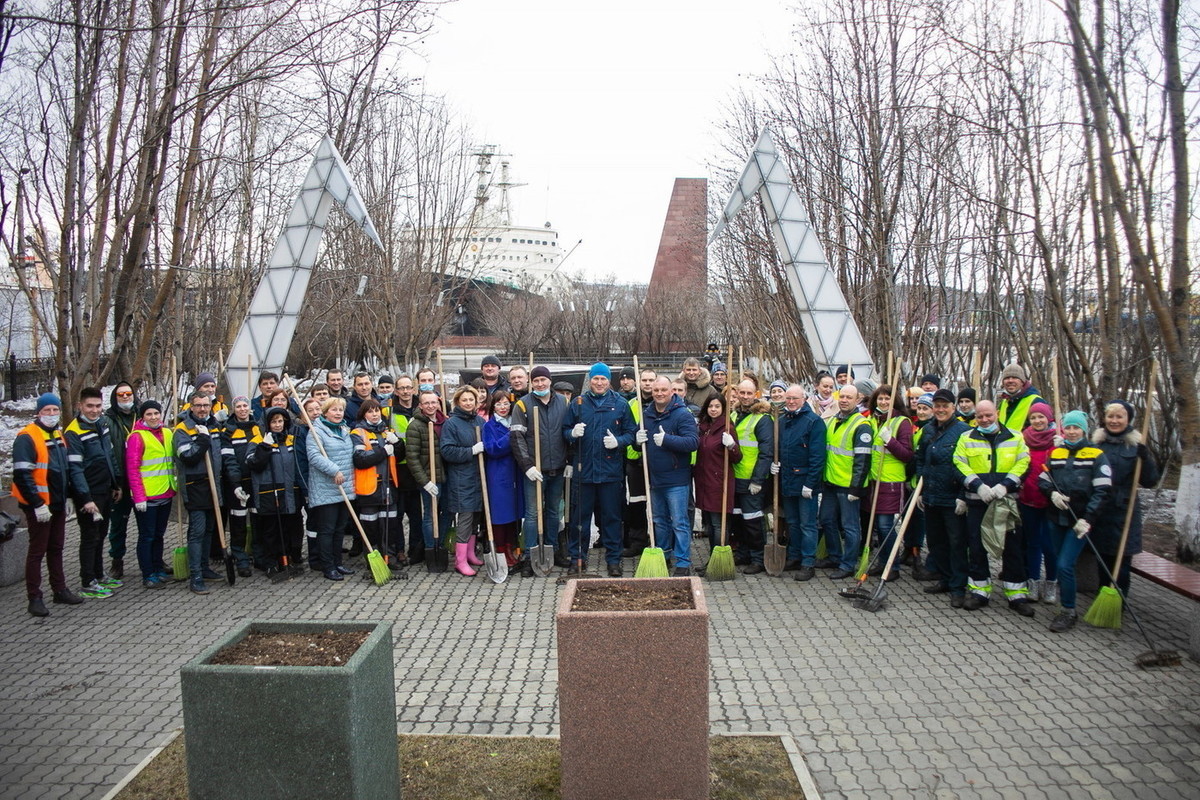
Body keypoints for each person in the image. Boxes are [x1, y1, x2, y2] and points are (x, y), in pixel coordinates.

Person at [952, 399, 1033, 615]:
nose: (985, 419)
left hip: (1006, 501)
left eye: (988, 415)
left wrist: (1006, 486)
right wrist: (977, 486)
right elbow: (959, 464)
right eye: (980, 416)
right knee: (977, 547)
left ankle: (1016, 594)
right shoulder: (966, 438)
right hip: (977, 502)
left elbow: (1024, 462)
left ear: (996, 413)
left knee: (1012, 546)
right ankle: (980, 591)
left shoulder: (1015, 437)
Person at [1038, 410, 1113, 632]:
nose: (1071, 432)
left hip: (1080, 521)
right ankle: (1065, 603)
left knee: (1065, 565)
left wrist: (1088, 519)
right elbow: (1044, 480)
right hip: (1056, 517)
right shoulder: (1056, 453)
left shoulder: (1096, 455)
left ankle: (1068, 610)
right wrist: (1052, 494)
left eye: (1076, 427)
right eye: (1068, 427)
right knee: (1060, 563)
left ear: (1084, 429)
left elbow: (1103, 490)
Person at [563, 363, 637, 577]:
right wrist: (572, 434)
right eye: (595, 379)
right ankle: (578, 558)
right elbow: (565, 430)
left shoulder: (620, 404)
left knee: (612, 518)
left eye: (603, 379)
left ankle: (613, 560)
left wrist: (619, 441)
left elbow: (631, 433)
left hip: (610, 472)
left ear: (608, 381)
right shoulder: (578, 403)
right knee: (579, 519)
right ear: (590, 380)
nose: (599, 382)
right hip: (583, 472)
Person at [13, 393, 81, 615]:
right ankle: (34, 597)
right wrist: (37, 504)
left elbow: (64, 470)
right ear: (38, 412)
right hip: (39, 505)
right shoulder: (27, 437)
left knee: (57, 548)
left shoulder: (57, 434)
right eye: (47, 411)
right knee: (37, 551)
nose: (51, 415)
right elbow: (23, 475)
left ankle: (59, 589)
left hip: (58, 502)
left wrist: (69, 495)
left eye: (55, 410)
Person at [1088, 398, 1160, 609]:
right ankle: (1102, 596)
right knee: (1102, 557)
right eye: (1111, 416)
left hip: (1124, 510)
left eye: (1120, 416)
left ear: (1128, 419)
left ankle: (1119, 601)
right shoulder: (1097, 445)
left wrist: (1145, 460)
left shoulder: (1136, 447)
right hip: (1101, 508)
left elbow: (1150, 481)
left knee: (1122, 560)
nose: (1114, 420)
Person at [914, 389, 971, 608]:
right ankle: (945, 579)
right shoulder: (928, 430)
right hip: (931, 496)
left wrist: (962, 496)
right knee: (936, 542)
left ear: (953, 407)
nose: (940, 409)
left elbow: (968, 465)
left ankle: (958, 587)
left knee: (956, 543)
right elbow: (921, 459)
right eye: (937, 405)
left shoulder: (963, 431)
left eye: (944, 405)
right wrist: (921, 487)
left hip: (952, 497)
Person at [511, 365, 571, 575]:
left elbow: (567, 432)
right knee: (533, 514)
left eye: (543, 380)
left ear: (550, 381)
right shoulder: (523, 405)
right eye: (536, 381)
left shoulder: (563, 402)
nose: (540, 384)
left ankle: (553, 550)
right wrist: (527, 466)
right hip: (535, 470)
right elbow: (517, 438)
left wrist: (568, 461)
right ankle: (530, 555)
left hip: (557, 468)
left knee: (554, 512)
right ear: (531, 382)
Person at [64, 388, 123, 599]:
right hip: (88, 493)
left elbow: (110, 455)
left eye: (98, 406)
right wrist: (85, 498)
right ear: (80, 406)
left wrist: (116, 483)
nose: (94, 410)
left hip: (105, 489)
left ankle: (99, 574)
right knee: (90, 537)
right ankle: (87, 580)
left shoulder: (102, 424)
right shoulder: (74, 432)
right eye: (90, 406)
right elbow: (75, 470)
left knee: (101, 534)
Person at [639, 376, 699, 575]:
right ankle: (663, 555)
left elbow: (692, 442)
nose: (659, 393)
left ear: (671, 391)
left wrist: (667, 440)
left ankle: (682, 562)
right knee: (659, 520)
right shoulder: (646, 414)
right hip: (655, 478)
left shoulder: (682, 414)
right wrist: (635, 440)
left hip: (676, 479)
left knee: (679, 522)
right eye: (656, 390)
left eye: (663, 390)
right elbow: (638, 441)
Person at [173, 393, 227, 595]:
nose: (203, 409)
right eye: (198, 406)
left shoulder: (213, 425)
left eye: (206, 405)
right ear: (191, 407)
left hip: (214, 484)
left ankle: (204, 568)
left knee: (210, 530)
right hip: (195, 486)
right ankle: (195, 575)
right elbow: (188, 457)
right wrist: (202, 439)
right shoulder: (183, 429)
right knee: (198, 530)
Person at [771, 385, 826, 580]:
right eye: (788, 399)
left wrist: (810, 483)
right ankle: (794, 557)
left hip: (805, 483)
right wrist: (774, 466)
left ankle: (808, 562)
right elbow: (779, 449)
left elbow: (818, 456)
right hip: (787, 480)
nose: (791, 402)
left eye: (795, 398)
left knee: (807, 524)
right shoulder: (782, 421)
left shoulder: (814, 422)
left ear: (804, 399)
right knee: (792, 522)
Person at [820, 384, 872, 579]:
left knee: (850, 527)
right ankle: (834, 556)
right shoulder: (834, 420)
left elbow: (863, 460)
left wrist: (856, 487)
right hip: (831, 482)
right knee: (826, 520)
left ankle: (848, 564)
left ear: (857, 399)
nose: (844, 400)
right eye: (841, 396)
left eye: (849, 397)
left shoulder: (861, 425)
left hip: (849, 486)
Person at [246, 407, 304, 577]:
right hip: (269, 491)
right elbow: (253, 464)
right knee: (271, 530)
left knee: (286, 528)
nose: (278, 425)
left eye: (280, 421)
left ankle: (285, 560)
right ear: (267, 424)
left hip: (289, 491)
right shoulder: (257, 441)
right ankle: (270, 562)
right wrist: (265, 446)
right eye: (274, 422)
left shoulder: (290, 440)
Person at [125, 400, 177, 591]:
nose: (154, 417)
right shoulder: (137, 437)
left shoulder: (167, 432)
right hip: (147, 497)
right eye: (149, 414)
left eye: (156, 413)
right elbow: (133, 468)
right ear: (142, 417)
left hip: (165, 491)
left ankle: (158, 567)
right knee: (147, 536)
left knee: (159, 534)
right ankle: (148, 574)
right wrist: (138, 496)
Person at [865, 384, 914, 580]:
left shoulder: (901, 422)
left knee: (886, 526)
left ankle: (892, 567)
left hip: (891, 481)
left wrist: (890, 441)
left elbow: (907, 455)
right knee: (877, 525)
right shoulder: (872, 420)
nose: (883, 402)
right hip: (874, 480)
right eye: (880, 399)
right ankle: (882, 562)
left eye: (887, 399)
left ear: (894, 401)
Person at [307, 397, 357, 581]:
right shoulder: (316, 431)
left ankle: (338, 563)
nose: (338, 413)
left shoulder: (344, 430)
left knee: (339, 529)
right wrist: (334, 470)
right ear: (325, 411)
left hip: (344, 487)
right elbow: (314, 456)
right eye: (334, 410)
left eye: (340, 410)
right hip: (326, 488)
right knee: (327, 529)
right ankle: (327, 566)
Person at [350, 398, 403, 570]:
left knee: (389, 525)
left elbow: (400, 456)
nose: (374, 414)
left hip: (388, 485)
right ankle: (374, 560)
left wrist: (397, 443)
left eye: (376, 411)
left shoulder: (388, 430)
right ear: (363, 414)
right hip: (369, 489)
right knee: (371, 527)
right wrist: (382, 451)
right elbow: (360, 460)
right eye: (370, 411)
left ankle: (390, 557)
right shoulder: (358, 433)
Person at [729, 378, 774, 574]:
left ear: (756, 394)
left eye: (749, 393)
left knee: (753, 520)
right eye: (742, 393)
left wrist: (758, 479)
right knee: (739, 519)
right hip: (735, 477)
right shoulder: (733, 414)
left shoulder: (762, 419)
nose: (745, 397)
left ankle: (758, 557)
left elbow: (766, 452)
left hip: (751, 479)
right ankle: (743, 553)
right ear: (737, 393)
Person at [440, 386, 486, 576]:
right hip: (462, 478)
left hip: (479, 477)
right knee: (466, 518)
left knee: (476, 516)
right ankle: (460, 560)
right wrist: (470, 451)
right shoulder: (452, 424)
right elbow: (447, 450)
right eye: (464, 400)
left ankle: (470, 553)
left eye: (471, 400)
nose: (468, 403)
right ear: (458, 402)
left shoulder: (480, 421)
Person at [694, 393, 740, 567]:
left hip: (720, 482)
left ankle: (720, 560)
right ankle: (713, 559)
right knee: (710, 525)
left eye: (717, 407)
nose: (713, 410)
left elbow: (737, 457)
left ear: (723, 409)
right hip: (704, 482)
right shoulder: (704, 427)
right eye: (710, 406)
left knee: (718, 524)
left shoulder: (728, 428)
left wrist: (732, 446)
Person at [1018, 402, 1058, 603]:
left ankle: (1051, 582)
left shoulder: (1057, 442)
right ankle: (1033, 581)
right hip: (1028, 498)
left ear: (1049, 418)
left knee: (1049, 546)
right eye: (1034, 417)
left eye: (1041, 417)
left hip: (1051, 501)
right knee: (1032, 544)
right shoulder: (1024, 439)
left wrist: (1063, 448)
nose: (1037, 421)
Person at [482, 390, 525, 572]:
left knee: (514, 515)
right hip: (498, 475)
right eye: (499, 404)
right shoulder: (489, 426)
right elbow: (493, 448)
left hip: (516, 473)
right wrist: (511, 435)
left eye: (506, 403)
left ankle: (510, 547)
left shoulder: (515, 423)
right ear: (493, 406)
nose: (503, 407)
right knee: (500, 516)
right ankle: (500, 551)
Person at [406, 390, 450, 565]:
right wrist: (424, 482)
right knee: (430, 515)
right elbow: (412, 457)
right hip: (430, 478)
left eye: (434, 402)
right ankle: (431, 549)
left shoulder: (445, 422)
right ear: (421, 405)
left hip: (447, 477)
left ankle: (441, 544)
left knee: (447, 512)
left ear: (438, 403)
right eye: (427, 403)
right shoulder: (415, 426)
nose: (431, 406)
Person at [221, 396, 259, 577]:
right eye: (239, 406)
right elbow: (229, 460)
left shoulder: (258, 427)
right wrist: (236, 484)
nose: (243, 409)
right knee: (238, 522)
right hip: (237, 483)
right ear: (233, 409)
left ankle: (259, 556)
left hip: (257, 482)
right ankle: (240, 557)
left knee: (258, 519)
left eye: (245, 406)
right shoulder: (228, 431)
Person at [620, 369, 656, 559]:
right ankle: (637, 541)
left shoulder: (662, 402)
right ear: (639, 382)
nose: (648, 384)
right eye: (645, 380)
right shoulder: (632, 404)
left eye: (651, 380)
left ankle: (658, 540)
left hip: (657, 461)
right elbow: (626, 428)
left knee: (657, 503)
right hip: (635, 460)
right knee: (636, 502)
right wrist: (635, 439)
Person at [104, 382, 138, 579]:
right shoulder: (108, 421)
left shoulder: (142, 416)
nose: (125, 397)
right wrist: (113, 482)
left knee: (147, 525)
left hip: (142, 480)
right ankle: (117, 560)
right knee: (118, 524)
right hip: (121, 481)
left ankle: (153, 559)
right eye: (121, 395)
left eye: (128, 394)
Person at [996, 363, 1046, 432]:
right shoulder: (1004, 402)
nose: (1010, 380)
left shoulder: (1036, 401)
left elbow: (1045, 427)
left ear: (1022, 381)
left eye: (1015, 377)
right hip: (1004, 442)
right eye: (1007, 378)